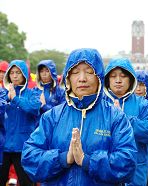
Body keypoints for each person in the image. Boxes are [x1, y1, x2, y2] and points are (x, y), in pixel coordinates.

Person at [21, 48, 137, 185]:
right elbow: (29, 157)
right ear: (68, 78)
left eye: (89, 72)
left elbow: (127, 162)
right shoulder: (52, 116)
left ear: (99, 78)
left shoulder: (115, 117)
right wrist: (63, 159)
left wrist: (87, 161)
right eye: (75, 72)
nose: (82, 78)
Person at [103, 58, 148, 186]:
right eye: (113, 76)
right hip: (105, 171)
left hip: (136, 172)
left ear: (131, 79)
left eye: (123, 76)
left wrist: (123, 120)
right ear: (107, 80)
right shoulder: (99, 103)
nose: (118, 80)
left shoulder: (142, 104)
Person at [0, 60, 41, 186]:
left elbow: (34, 108)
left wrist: (15, 99)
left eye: (18, 72)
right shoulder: (3, 93)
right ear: (8, 75)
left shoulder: (33, 92)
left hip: (23, 147)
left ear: (24, 74)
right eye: (12, 72)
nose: (15, 75)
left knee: (27, 182)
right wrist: (7, 97)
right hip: (3, 147)